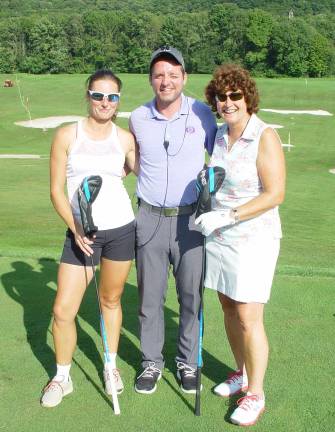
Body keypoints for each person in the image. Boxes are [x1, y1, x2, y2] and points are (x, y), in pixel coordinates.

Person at [41, 69, 138, 408]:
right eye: (98, 95)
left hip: (122, 229)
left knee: (111, 301)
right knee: (63, 310)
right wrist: (77, 227)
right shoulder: (68, 135)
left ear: (118, 101)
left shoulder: (125, 139)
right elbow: (56, 190)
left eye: (112, 97)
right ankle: (62, 376)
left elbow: (140, 171)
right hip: (82, 233)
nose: (104, 102)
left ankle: (110, 366)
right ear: (88, 95)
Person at [195, 64, 285, 426]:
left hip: (253, 237)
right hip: (220, 235)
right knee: (228, 306)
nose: (228, 102)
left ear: (248, 98)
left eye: (235, 95)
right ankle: (240, 373)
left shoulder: (265, 136)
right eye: (221, 96)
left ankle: (256, 393)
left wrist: (228, 215)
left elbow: (275, 194)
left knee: (249, 316)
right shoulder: (218, 135)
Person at [129, 46, 217, 395]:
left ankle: (186, 362)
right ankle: (151, 362)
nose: (165, 81)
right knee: (150, 298)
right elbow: (129, 158)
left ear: (184, 77)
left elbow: (221, 153)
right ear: (151, 79)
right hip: (149, 217)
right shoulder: (138, 116)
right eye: (159, 75)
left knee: (190, 297)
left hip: (190, 220)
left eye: (173, 74)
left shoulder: (202, 114)